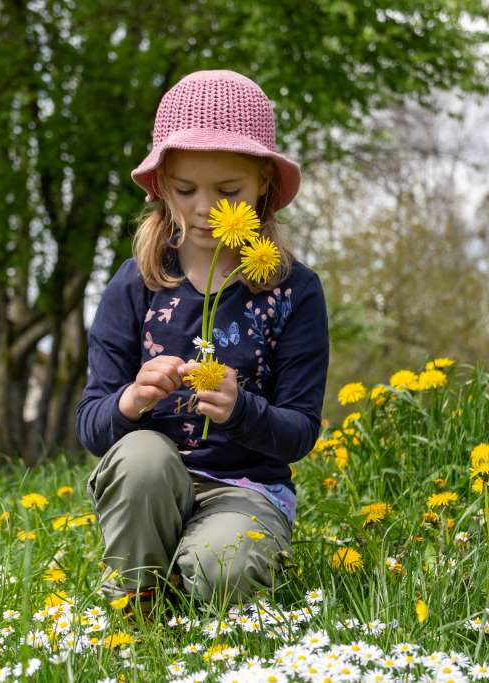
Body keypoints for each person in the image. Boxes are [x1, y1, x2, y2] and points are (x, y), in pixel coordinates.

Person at [75, 69, 329, 610]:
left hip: (246, 491)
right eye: (186, 190)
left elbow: (300, 432)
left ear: (262, 183)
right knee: (141, 456)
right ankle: (137, 598)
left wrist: (242, 410)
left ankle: (204, 577)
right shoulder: (136, 282)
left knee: (223, 570)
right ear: (162, 185)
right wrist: (133, 399)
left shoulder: (295, 292)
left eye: (228, 191)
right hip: (150, 487)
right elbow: (92, 425)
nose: (205, 208)